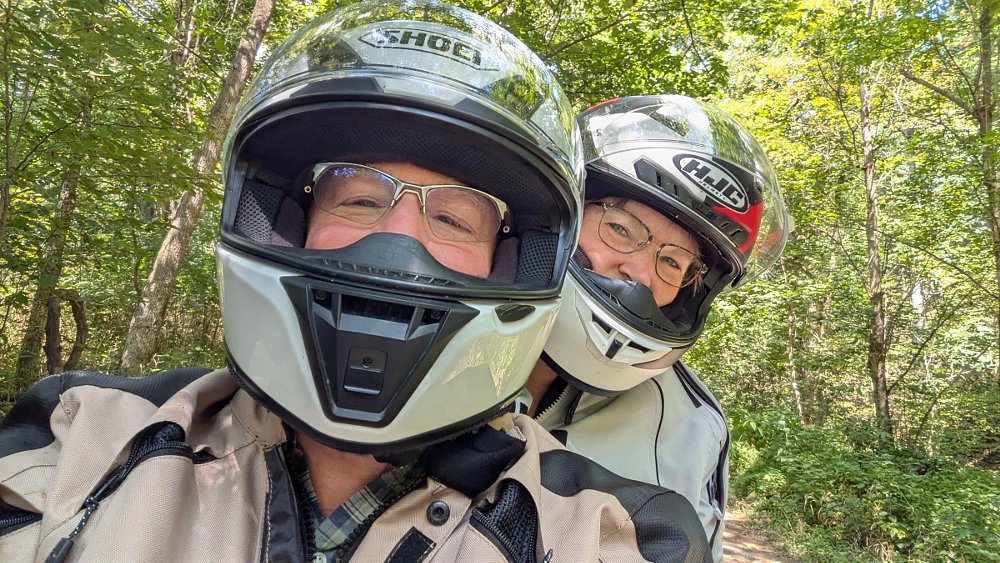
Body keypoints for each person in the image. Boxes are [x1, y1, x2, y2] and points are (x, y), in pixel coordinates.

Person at [0, 5, 712, 562]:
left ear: (513, 261)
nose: (398, 243)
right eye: (360, 199)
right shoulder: (81, 439)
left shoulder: (620, 535)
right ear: (289, 221)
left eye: (457, 218)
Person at [522, 95, 790, 562]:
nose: (641, 274)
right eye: (622, 228)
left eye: (671, 262)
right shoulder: (437, 336)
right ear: (563, 213)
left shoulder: (691, 429)